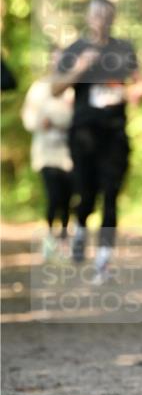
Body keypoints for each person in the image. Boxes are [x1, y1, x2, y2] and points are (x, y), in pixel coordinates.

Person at [51, 0, 142, 279]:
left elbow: (139, 83)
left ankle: (103, 259)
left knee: (111, 193)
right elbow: (55, 88)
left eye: (106, 14)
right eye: (96, 14)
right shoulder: (75, 49)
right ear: (88, 17)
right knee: (86, 193)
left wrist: (133, 92)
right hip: (83, 134)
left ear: (113, 17)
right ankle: (80, 230)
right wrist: (79, 68)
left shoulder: (123, 49)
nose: (101, 19)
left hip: (114, 134)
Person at [21, 46, 74, 259]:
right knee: (53, 196)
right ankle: (50, 237)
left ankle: (64, 239)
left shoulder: (72, 88)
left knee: (68, 198)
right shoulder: (38, 88)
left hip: (69, 152)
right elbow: (28, 117)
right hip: (46, 153)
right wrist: (40, 123)